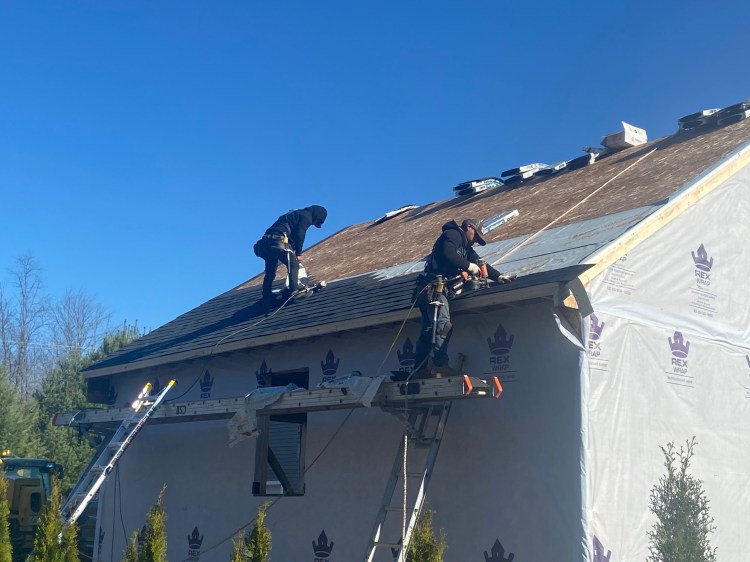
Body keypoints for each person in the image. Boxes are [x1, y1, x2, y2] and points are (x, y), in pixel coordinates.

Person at [412, 218, 514, 378]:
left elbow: (480, 264)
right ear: (468, 227)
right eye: (476, 237)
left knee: (428, 330)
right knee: (443, 324)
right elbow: (448, 253)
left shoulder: (466, 248)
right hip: (432, 288)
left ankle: (419, 370)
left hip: (429, 290)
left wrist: (499, 276)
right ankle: (440, 365)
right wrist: (468, 266)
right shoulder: (453, 234)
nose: (475, 242)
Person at [253, 205, 328, 305]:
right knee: (293, 264)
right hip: (277, 240)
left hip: (264, 244)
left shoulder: (293, 214)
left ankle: (266, 295)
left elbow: (290, 238)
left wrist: (292, 249)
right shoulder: (306, 216)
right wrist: (298, 254)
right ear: (317, 215)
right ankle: (294, 291)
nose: (314, 224)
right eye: (316, 222)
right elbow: (300, 234)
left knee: (270, 270)